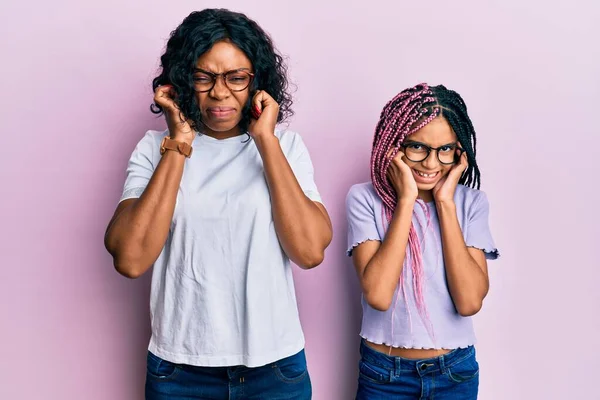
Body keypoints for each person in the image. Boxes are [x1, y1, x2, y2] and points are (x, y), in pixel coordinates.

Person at [104, 9, 332, 399]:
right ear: (182, 80)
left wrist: (266, 141)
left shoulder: (286, 148)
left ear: (257, 82)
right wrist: (179, 142)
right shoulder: (152, 148)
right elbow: (130, 258)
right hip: (180, 372)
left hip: (275, 370)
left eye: (236, 78)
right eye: (203, 77)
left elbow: (309, 252)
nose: (220, 92)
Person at [346, 83, 499, 399]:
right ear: (393, 144)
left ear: (459, 150)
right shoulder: (365, 199)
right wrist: (406, 200)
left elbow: (469, 301)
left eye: (445, 149)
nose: (431, 164)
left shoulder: (471, 203)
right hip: (384, 375)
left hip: (454, 374)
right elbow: (377, 294)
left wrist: (445, 203)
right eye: (418, 147)